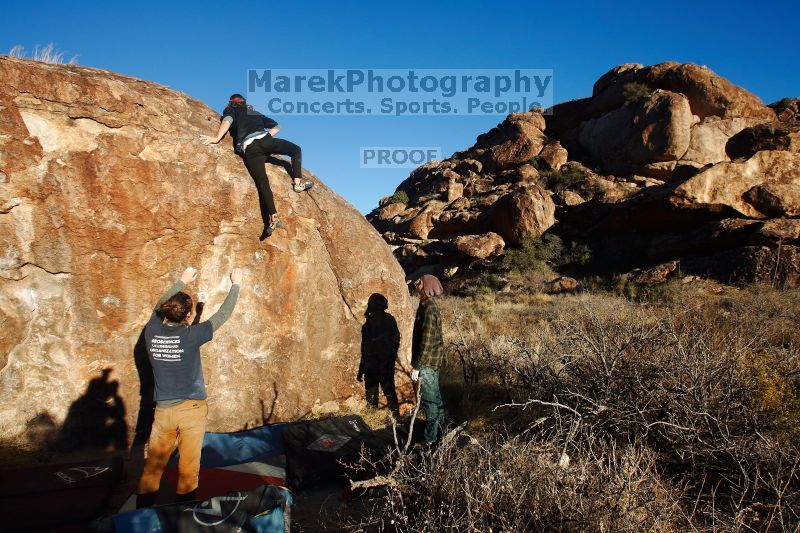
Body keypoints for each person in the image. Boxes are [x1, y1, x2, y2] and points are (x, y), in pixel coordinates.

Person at [136, 266, 242, 507]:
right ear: (188, 316)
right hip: (192, 410)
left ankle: (141, 516)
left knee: (153, 468)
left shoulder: (152, 331)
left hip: (163, 412)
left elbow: (157, 307)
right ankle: (182, 514)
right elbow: (223, 315)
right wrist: (236, 285)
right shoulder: (192, 335)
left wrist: (181, 280)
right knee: (188, 469)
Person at [200, 94, 313, 241]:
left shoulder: (231, 109)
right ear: (244, 102)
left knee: (262, 183)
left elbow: (227, 120)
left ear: (231, 102)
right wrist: (267, 136)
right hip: (265, 141)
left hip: (250, 149)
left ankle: (273, 218)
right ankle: (297, 184)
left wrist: (216, 138)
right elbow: (277, 126)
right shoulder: (253, 112)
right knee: (295, 150)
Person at [411, 274, 445, 445]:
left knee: (430, 402)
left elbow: (427, 342)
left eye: (419, 282)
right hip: (431, 362)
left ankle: (430, 438)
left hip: (427, 363)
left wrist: (417, 366)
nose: (416, 284)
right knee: (436, 399)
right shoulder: (426, 306)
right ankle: (441, 431)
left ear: (425, 287)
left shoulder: (429, 310)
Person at [358, 294, 400, 415]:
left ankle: (374, 419)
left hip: (374, 366)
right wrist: (390, 359)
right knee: (388, 393)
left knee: (374, 396)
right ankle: (395, 419)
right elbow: (396, 341)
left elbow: (365, 349)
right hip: (382, 365)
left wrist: (362, 369)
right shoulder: (389, 320)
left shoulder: (368, 325)